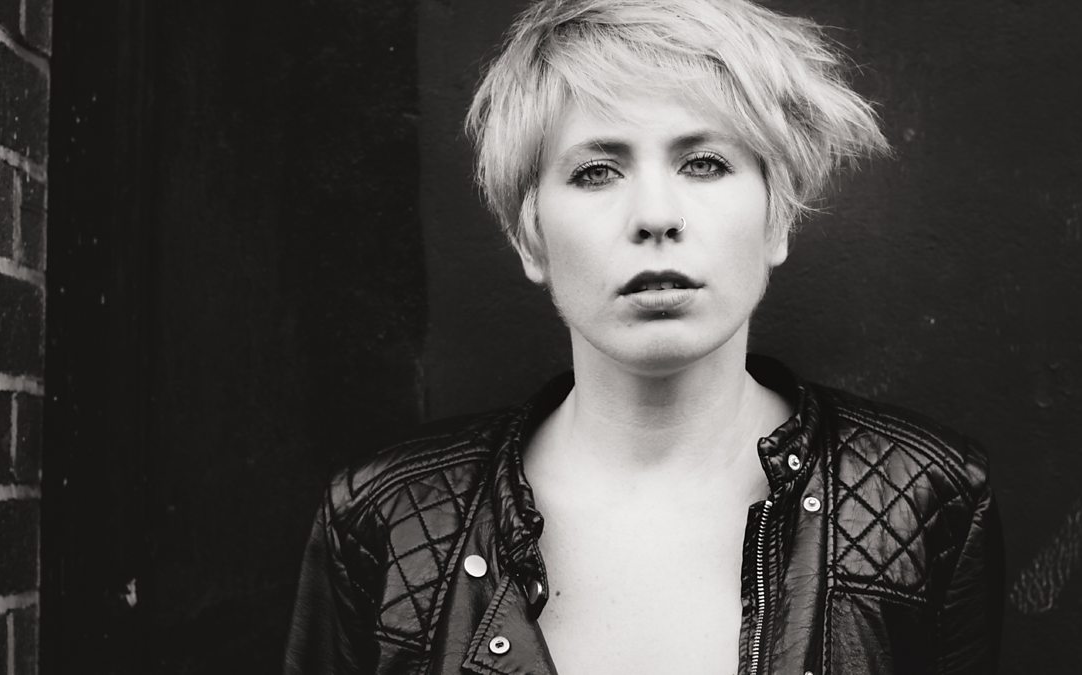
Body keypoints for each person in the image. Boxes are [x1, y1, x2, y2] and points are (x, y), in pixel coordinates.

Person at [285, 0, 1004, 672]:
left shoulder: (927, 496)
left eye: (705, 163)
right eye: (597, 171)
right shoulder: (383, 517)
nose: (656, 214)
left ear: (777, 218)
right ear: (530, 236)